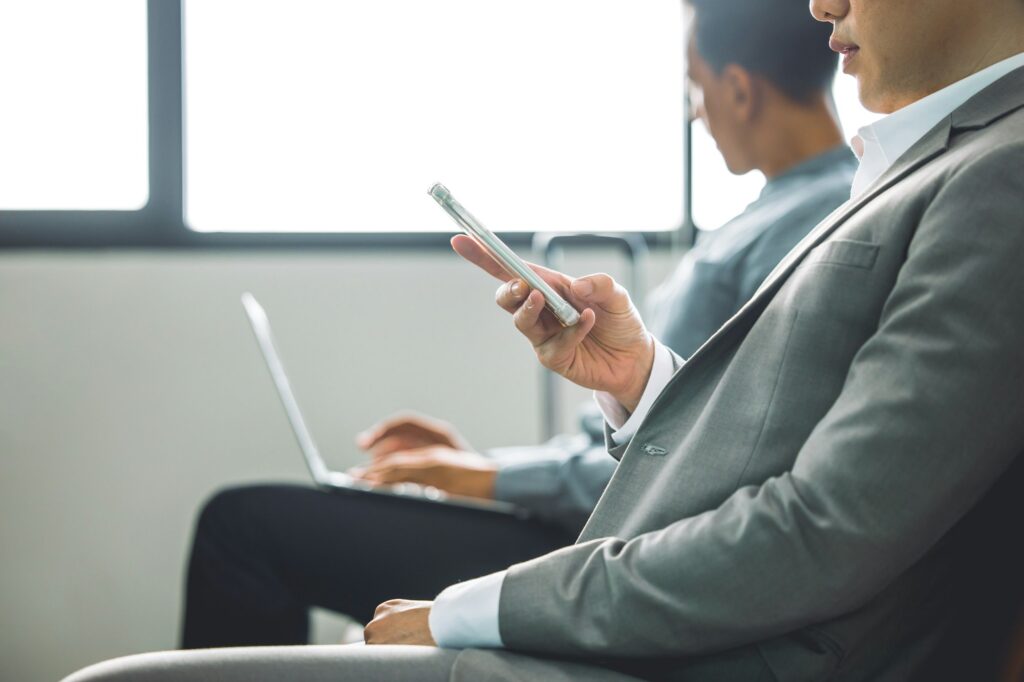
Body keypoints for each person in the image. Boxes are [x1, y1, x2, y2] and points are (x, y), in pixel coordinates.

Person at [65, 0, 1024, 679]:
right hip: (651, 567)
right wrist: (641, 380)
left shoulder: (992, 177)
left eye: (696, 89)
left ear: (736, 89)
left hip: (702, 631)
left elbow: (819, 528)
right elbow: (779, 428)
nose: (825, 3)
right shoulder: (902, 170)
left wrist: (470, 596)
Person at [180, 0, 856, 649]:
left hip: (604, 543)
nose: (695, 114)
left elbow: (711, 454)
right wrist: (478, 466)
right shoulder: (768, 218)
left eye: (695, 90)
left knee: (242, 528)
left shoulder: (805, 227)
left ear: (739, 90)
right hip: (592, 519)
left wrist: (481, 479)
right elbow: (660, 425)